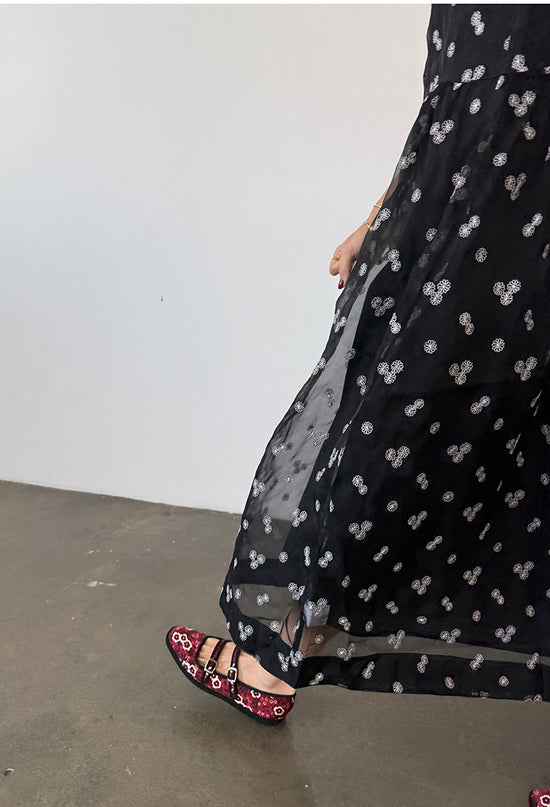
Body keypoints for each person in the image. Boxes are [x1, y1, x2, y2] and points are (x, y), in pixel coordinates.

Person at [166, 2, 550, 743]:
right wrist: (378, 217)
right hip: (464, 244)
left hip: (518, 251)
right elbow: (453, 122)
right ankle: (280, 655)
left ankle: (276, 657)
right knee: (386, 443)